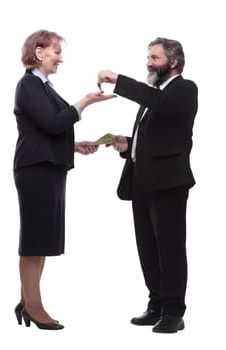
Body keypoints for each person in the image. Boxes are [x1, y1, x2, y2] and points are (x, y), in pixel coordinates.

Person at [13, 29, 116, 330]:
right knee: (34, 240)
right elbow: (52, 123)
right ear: (39, 52)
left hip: (48, 167)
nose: (61, 58)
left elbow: (45, 130)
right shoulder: (29, 84)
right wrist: (85, 101)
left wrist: (74, 145)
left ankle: (25, 300)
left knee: (41, 238)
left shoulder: (43, 86)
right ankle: (33, 306)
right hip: (36, 170)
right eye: (56, 52)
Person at [98, 37, 198, 333]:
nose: (149, 62)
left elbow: (160, 104)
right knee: (147, 247)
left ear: (173, 62)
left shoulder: (183, 89)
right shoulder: (153, 96)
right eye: (148, 57)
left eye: (154, 58)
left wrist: (117, 80)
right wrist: (127, 145)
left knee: (170, 247)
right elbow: (156, 139)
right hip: (142, 180)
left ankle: (173, 311)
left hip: (169, 183)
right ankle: (155, 304)